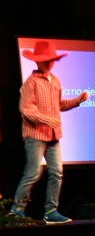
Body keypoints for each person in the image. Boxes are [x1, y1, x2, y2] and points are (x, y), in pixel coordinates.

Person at [11, 41, 89, 223]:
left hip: (53, 136)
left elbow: (58, 105)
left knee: (56, 172)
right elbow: (25, 108)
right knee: (32, 173)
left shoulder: (55, 81)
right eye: (45, 60)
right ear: (37, 61)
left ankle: (50, 211)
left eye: (51, 60)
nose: (49, 63)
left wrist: (77, 101)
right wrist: (46, 119)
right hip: (35, 135)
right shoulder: (31, 83)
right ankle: (16, 209)